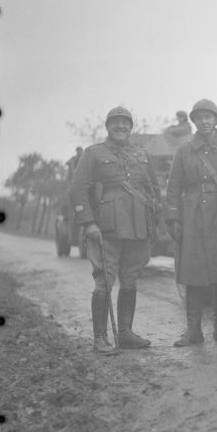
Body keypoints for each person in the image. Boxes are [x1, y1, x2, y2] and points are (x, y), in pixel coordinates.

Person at [70, 106, 161, 355]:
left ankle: (126, 333)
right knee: (105, 281)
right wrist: (88, 222)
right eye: (116, 123)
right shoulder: (93, 153)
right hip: (107, 228)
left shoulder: (142, 154)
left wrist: (154, 219)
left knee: (130, 280)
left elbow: (153, 189)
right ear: (108, 126)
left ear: (131, 127)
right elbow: (78, 189)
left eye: (125, 123)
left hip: (138, 227)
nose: (121, 127)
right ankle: (100, 338)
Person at [166, 99, 217, 346]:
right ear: (194, 122)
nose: (204, 121)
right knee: (193, 272)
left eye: (209, 117)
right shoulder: (184, 151)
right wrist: (174, 217)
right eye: (199, 118)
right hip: (193, 215)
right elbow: (174, 187)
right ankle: (193, 330)